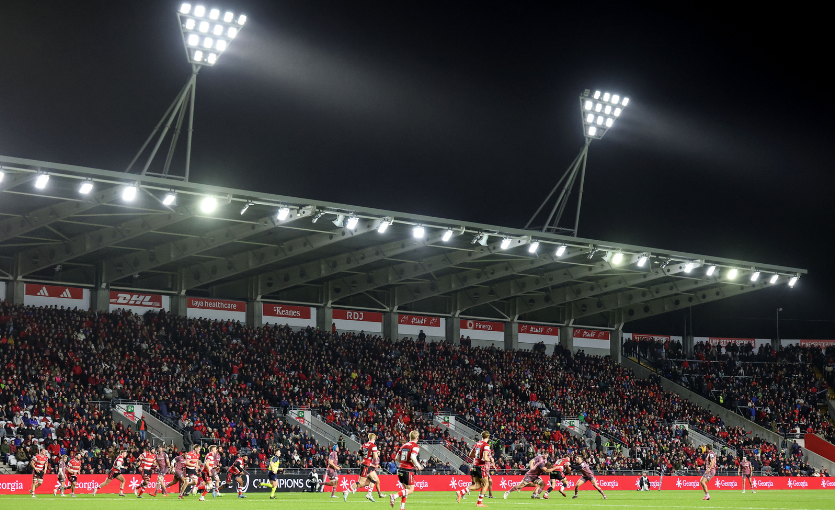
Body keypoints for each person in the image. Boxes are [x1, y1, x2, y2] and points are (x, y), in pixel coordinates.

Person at [456, 430, 491, 507]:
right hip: (481, 466)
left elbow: (470, 454)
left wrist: (478, 457)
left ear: (482, 436)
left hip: (474, 465)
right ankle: (479, 503)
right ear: (488, 437)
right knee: (486, 484)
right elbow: (485, 457)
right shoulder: (486, 445)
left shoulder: (477, 443)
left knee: (478, 485)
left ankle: (461, 492)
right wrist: (490, 460)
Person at [390, 430, 423, 510]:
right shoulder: (415, 446)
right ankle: (394, 496)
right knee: (411, 490)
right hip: (407, 470)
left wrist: (404, 463)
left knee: (406, 490)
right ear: (417, 438)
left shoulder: (404, 445)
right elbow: (413, 457)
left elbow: (397, 458)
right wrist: (418, 466)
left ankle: (402, 507)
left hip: (400, 468)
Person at [354, 433, 382, 502]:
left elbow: (359, 453)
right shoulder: (373, 446)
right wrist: (376, 454)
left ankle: (370, 494)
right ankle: (350, 489)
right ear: (374, 439)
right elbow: (375, 458)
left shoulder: (364, 445)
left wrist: (366, 455)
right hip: (368, 464)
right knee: (363, 481)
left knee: (370, 481)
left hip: (365, 463)